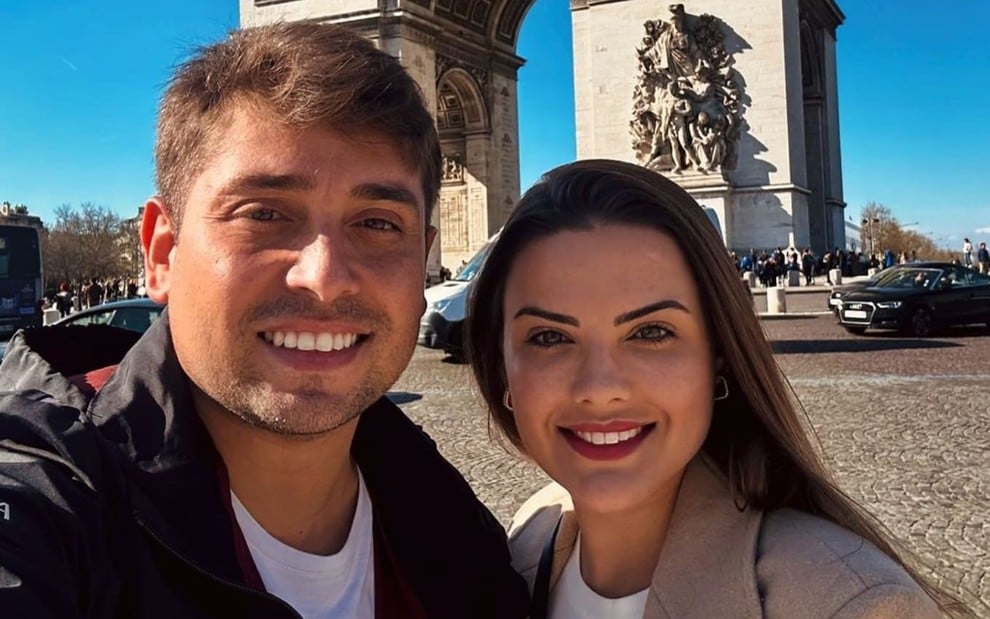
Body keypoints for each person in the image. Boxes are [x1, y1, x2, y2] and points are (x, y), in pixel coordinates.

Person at [0, 22, 527, 619]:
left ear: (423, 253)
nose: (324, 275)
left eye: (378, 223)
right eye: (266, 213)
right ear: (162, 253)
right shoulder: (42, 497)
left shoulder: (461, 532)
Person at [464, 160, 964, 618]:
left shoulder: (853, 606)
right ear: (501, 366)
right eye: (550, 338)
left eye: (651, 333)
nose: (600, 388)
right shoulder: (526, 540)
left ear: (718, 355)